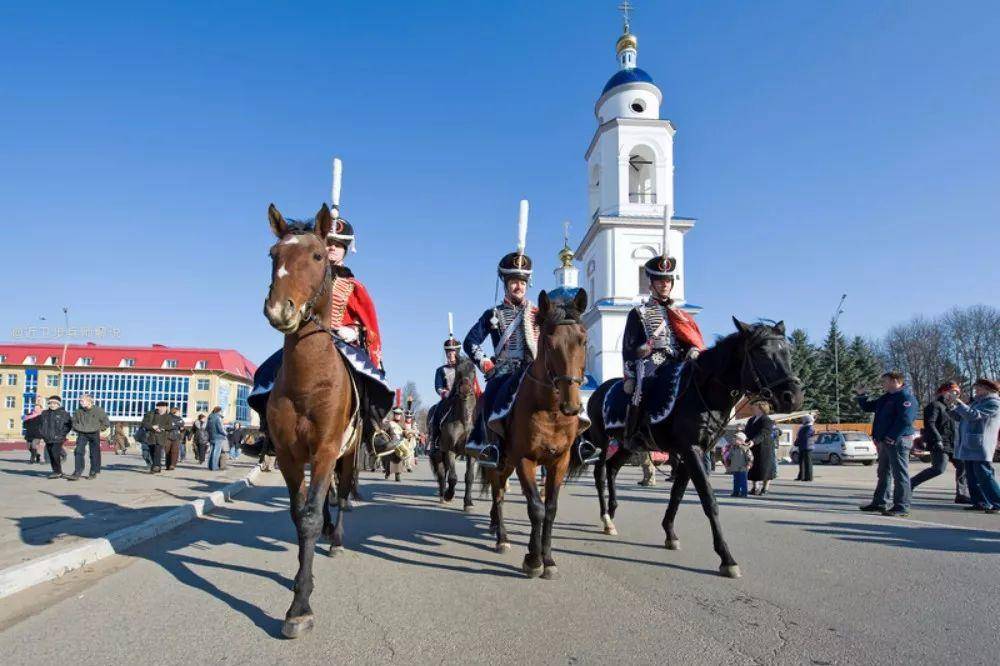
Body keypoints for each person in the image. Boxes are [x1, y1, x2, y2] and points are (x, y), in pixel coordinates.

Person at [245, 186, 394, 462]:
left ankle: (373, 430)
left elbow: (370, 327)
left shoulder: (353, 286)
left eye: (338, 245)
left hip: (343, 343)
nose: (332, 248)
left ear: (346, 250)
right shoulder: (306, 274)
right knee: (265, 374)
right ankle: (268, 432)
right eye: (329, 243)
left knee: (370, 380)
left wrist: (354, 331)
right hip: (306, 340)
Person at [619, 240, 705, 450]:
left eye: (667, 280)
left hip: (678, 361)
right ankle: (632, 434)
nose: (664, 284)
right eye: (659, 281)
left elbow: (686, 340)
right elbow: (629, 347)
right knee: (642, 388)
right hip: (652, 362)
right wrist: (631, 372)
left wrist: (692, 350)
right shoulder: (639, 313)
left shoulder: (680, 314)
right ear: (651, 284)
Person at [856, 372, 919, 517]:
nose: (882, 384)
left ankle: (902, 506)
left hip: (898, 440)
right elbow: (868, 407)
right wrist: (861, 395)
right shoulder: (886, 398)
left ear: (895, 381)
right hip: (885, 441)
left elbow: (905, 420)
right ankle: (880, 502)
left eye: (885, 381)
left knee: (899, 474)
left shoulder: (906, 397)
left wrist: (892, 436)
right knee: (883, 472)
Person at [946, 378, 1000, 514]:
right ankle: (980, 502)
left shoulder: (993, 402)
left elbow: (973, 416)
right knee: (971, 475)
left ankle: (997, 502)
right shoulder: (977, 402)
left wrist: (959, 402)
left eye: (978, 388)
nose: (976, 391)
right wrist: (952, 405)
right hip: (969, 444)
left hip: (981, 444)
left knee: (984, 475)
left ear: (988, 389)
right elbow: (961, 416)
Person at [912, 382, 970, 503]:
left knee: (963, 466)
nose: (955, 395)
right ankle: (909, 484)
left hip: (954, 444)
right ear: (944, 392)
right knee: (938, 469)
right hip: (939, 443)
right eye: (953, 392)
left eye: (957, 393)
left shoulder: (952, 408)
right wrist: (937, 439)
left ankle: (962, 494)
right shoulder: (934, 405)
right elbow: (930, 424)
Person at [427, 333, 462, 452]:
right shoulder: (440, 370)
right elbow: (438, 386)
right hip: (447, 399)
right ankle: (435, 440)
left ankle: (480, 440)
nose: (450, 355)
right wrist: (444, 393)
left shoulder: (463, 368)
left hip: (462, 398)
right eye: (448, 352)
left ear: (457, 353)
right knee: (436, 412)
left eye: (452, 352)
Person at [67, 394, 109, 481]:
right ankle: (77, 472)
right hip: (82, 433)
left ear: (89, 401)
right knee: (78, 451)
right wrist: (77, 428)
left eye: (82, 401)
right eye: (80, 400)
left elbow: (106, 423)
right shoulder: (78, 411)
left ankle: (93, 471)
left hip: (94, 433)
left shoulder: (98, 410)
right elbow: (73, 422)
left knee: (94, 453)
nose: (80, 402)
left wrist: (98, 429)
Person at [746, 401, 777, 496]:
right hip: (752, 446)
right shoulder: (751, 419)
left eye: (755, 407)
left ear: (761, 409)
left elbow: (763, 433)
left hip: (764, 448)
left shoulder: (767, 420)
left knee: (765, 468)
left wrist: (754, 441)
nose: (753, 408)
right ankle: (755, 487)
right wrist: (745, 440)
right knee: (753, 467)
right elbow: (747, 431)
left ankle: (765, 488)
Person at [38, 395, 72, 479]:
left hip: (58, 438)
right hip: (48, 438)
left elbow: (68, 425)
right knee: (51, 455)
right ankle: (57, 471)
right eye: (50, 403)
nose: (52, 405)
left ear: (58, 404)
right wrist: (43, 434)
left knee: (54, 453)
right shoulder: (44, 413)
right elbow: (40, 425)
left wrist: (62, 434)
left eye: (55, 403)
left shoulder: (64, 414)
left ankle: (57, 471)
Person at [141, 402, 172, 473]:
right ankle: (156, 467)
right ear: (157, 407)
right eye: (161, 407)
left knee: (157, 451)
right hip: (150, 436)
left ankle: (157, 466)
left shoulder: (168, 416)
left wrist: (161, 428)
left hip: (162, 437)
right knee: (152, 452)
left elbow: (170, 426)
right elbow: (143, 424)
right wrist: (152, 427)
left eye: (164, 408)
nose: (163, 409)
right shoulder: (150, 414)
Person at [725, 432, 754, 497]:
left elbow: (750, 457)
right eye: (734, 438)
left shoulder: (745, 448)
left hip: (743, 467)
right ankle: (736, 492)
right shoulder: (733, 448)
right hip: (735, 467)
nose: (734, 439)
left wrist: (749, 464)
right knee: (736, 481)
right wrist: (728, 462)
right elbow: (730, 456)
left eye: (736, 438)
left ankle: (744, 493)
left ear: (741, 440)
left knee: (743, 481)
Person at [22, 398, 44, 464]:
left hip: (38, 434)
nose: (36, 409)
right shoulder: (29, 415)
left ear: (40, 409)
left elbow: (44, 425)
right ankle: (37, 455)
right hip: (29, 433)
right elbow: (24, 424)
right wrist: (26, 423)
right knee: (29, 447)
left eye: (38, 408)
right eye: (35, 408)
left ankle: (32, 459)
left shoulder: (42, 416)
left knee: (34, 445)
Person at [794, 414, 815, 482]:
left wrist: (798, 440)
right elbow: (799, 436)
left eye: (803, 419)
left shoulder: (809, 427)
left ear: (806, 420)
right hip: (802, 446)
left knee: (808, 463)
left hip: (807, 447)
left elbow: (804, 436)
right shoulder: (803, 427)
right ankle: (801, 476)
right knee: (801, 462)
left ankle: (808, 477)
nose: (802, 420)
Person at [207, 406, 228, 471]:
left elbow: (207, 428)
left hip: (211, 437)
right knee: (216, 453)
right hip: (218, 437)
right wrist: (226, 433)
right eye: (221, 411)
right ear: (219, 411)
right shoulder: (218, 418)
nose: (222, 413)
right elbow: (220, 428)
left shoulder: (210, 417)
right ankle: (214, 467)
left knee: (211, 452)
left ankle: (210, 466)